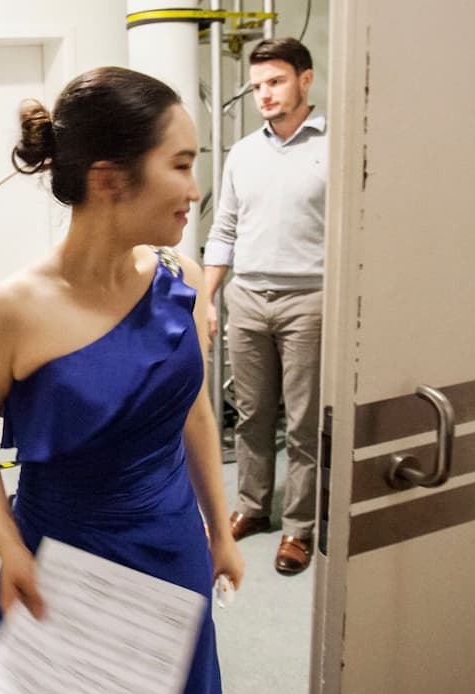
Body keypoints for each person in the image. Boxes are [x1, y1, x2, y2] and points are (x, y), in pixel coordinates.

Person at [0, 66, 245, 694]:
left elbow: (196, 414)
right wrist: (9, 550)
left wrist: (218, 530)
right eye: (180, 164)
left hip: (172, 547)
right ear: (110, 179)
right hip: (63, 568)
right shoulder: (12, 309)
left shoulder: (176, 277)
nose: (195, 186)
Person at [202, 37, 328, 576]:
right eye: (256, 87)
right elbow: (224, 229)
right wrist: (206, 297)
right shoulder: (244, 153)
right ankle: (253, 506)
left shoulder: (334, 146)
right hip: (247, 298)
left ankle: (299, 527)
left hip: (311, 299)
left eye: (275, 82)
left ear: (305, 79)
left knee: (301, 423)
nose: (265, 95)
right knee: (251, 416)